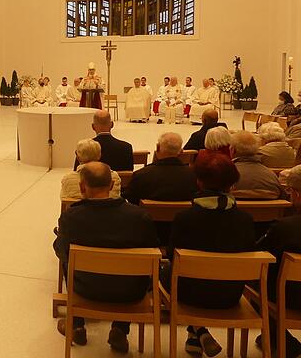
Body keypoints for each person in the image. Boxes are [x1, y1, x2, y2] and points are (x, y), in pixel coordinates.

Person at [53, 162, 158, 353]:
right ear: (111, 186)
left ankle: (76, 325)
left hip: (86, 289)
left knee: (67, 256)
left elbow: (61, 252)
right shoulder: (139, 216)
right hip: (130, 293)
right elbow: (152, 251)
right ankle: (120, 328)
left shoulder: (72, 217)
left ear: (82, 186)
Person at [167, 151, 255, 357]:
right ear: (231, 185)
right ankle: (197, 335)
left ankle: (198, 330)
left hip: (188, 295)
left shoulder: (184, 218)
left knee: (167, 270)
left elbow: (172, 257)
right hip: (229, 295)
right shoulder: (245, 220)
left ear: (199, 182)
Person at [255, 165, 301, 356]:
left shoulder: (284, 228)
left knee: (255, 278)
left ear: (296, 194)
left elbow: (259, 257)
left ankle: (278, 337)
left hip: (290, 297)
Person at [123, 133, 198, 204]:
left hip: (147, 217)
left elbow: (131, 198)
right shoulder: (194, 176)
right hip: (184, 217)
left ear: (158, 148)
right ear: (181, 152)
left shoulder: (141, 175)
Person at [230, 131, 285, 200]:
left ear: (232, 151)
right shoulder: (272, 176)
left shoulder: (225, 175)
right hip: (270, 210)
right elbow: (283, 198)